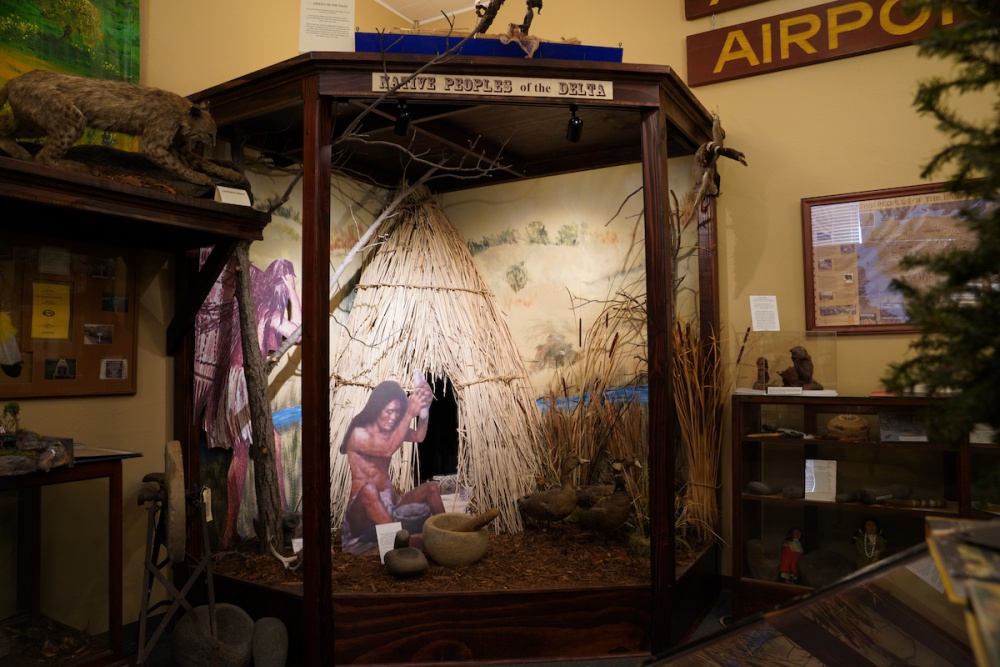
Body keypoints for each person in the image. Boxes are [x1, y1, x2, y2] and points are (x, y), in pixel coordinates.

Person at [340, 380, 445, 555]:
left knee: (432, 489)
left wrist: (424, 411)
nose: (393, 417)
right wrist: (409, 413)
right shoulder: (359, 433)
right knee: (369, 489)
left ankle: (446, 534)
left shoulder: (391, 431)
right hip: (361, 510)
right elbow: (387, 448)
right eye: (389, 411)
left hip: (388, 504)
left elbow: (419, 436)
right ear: (376, 409)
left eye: (397, 412)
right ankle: (401, 544)